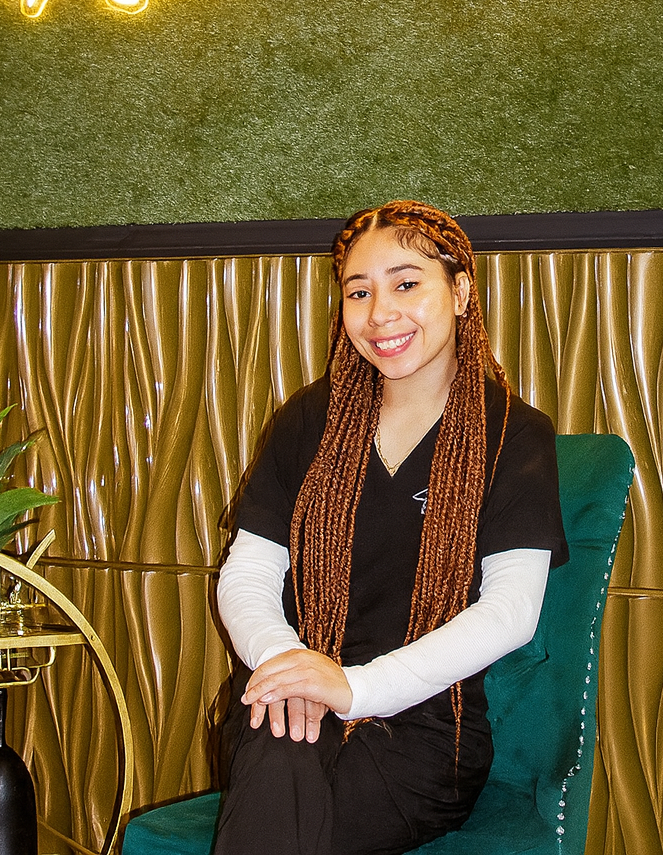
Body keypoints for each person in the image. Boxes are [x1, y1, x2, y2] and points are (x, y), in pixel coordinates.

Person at [214, 200, 567, 855]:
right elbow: (249, 570)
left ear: (460, 291)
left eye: (406, 283)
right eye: (359, 291)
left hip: (424, 731)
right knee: (279, 754)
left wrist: (353, 688)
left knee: (290, 829)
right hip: (282, 703)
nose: (380, 313)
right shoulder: (307, 420)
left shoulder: (514, 435)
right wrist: (286, 662)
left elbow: (512, 611)